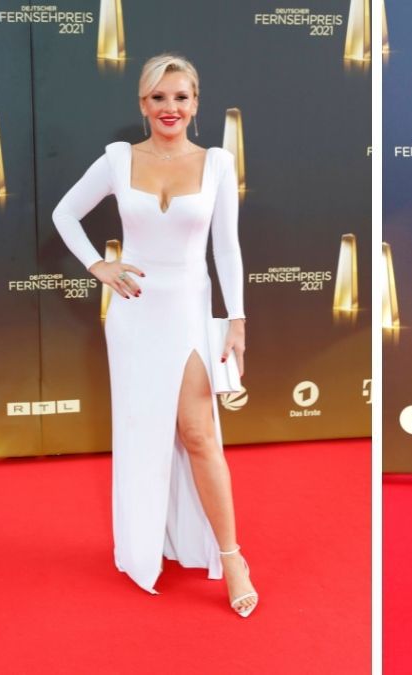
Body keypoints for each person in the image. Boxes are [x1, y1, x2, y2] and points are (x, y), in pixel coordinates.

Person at [52, 54, 259, 618]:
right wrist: (99, 265)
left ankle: (231, 557)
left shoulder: (217, 163)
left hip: (189, 313)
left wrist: (236, 319)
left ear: (196, 103)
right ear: (142, 104)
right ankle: (147, 544)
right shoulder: (119, 159)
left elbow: (226, 248)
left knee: (199, 433)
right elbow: (65, 214)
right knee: (143, 434)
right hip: (134, 317)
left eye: (181, 97)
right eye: (159, 98)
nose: (171, 108)